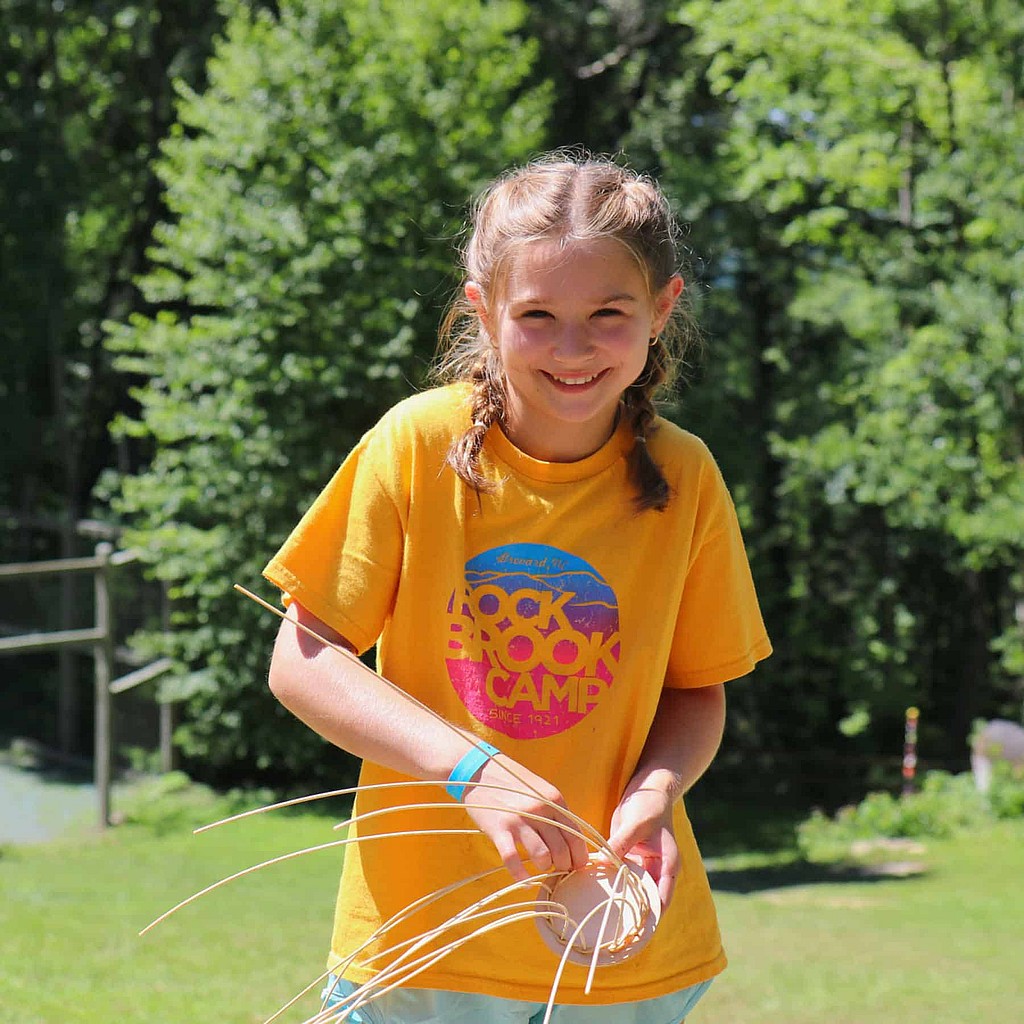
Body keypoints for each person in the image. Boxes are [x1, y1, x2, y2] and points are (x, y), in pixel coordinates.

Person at [263, 152, 772, 1024]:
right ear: (485, 309)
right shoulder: (417, 445)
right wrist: (471, 771)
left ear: (663, 309)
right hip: (422, 947)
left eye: (608, 314)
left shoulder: (685, 476)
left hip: (616, 947)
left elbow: (698, 692)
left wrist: (653, 798)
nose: (572, 349)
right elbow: (302, 662)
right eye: (537, 315)